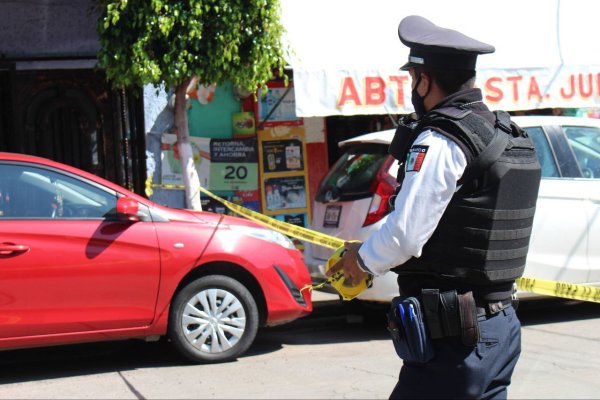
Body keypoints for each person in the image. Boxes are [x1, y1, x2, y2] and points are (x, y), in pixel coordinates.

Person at [327, 15, 541, 399]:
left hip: (456, 338)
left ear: (425, 79)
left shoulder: (442, 138)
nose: (412, 87)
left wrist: (360, 262)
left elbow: (407, 234)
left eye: (413, 78)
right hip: (498, 326)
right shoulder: (497, 130)